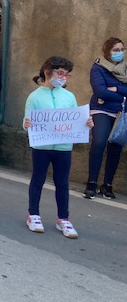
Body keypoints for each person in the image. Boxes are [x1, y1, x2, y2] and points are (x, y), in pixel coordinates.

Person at [23, 56, 93, 238]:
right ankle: (33, 214)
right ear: (48, 72)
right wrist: (27, 123)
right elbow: (27, 120)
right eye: (60, 73)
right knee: (37, 179)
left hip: (63, 147)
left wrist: (86, 123)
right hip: (42, 146)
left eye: (67, 75)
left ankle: (63, 218)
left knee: (62, 182)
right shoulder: (35, 96)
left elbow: (74, 120)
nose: (63, 77)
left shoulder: (69, 96)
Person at [84, 38, 127, 200]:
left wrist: (116, 89)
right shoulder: (98, 68)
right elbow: (100, 91)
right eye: (116, 50)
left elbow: (109, 92)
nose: (120, 53)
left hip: (122, 113)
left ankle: (107, 185)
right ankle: (92, 183)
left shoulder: (126, 68)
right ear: (107, 51)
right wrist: (122, 96)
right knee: (99, 142)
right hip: (101, 110)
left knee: (115, 146)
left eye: (122, 49)